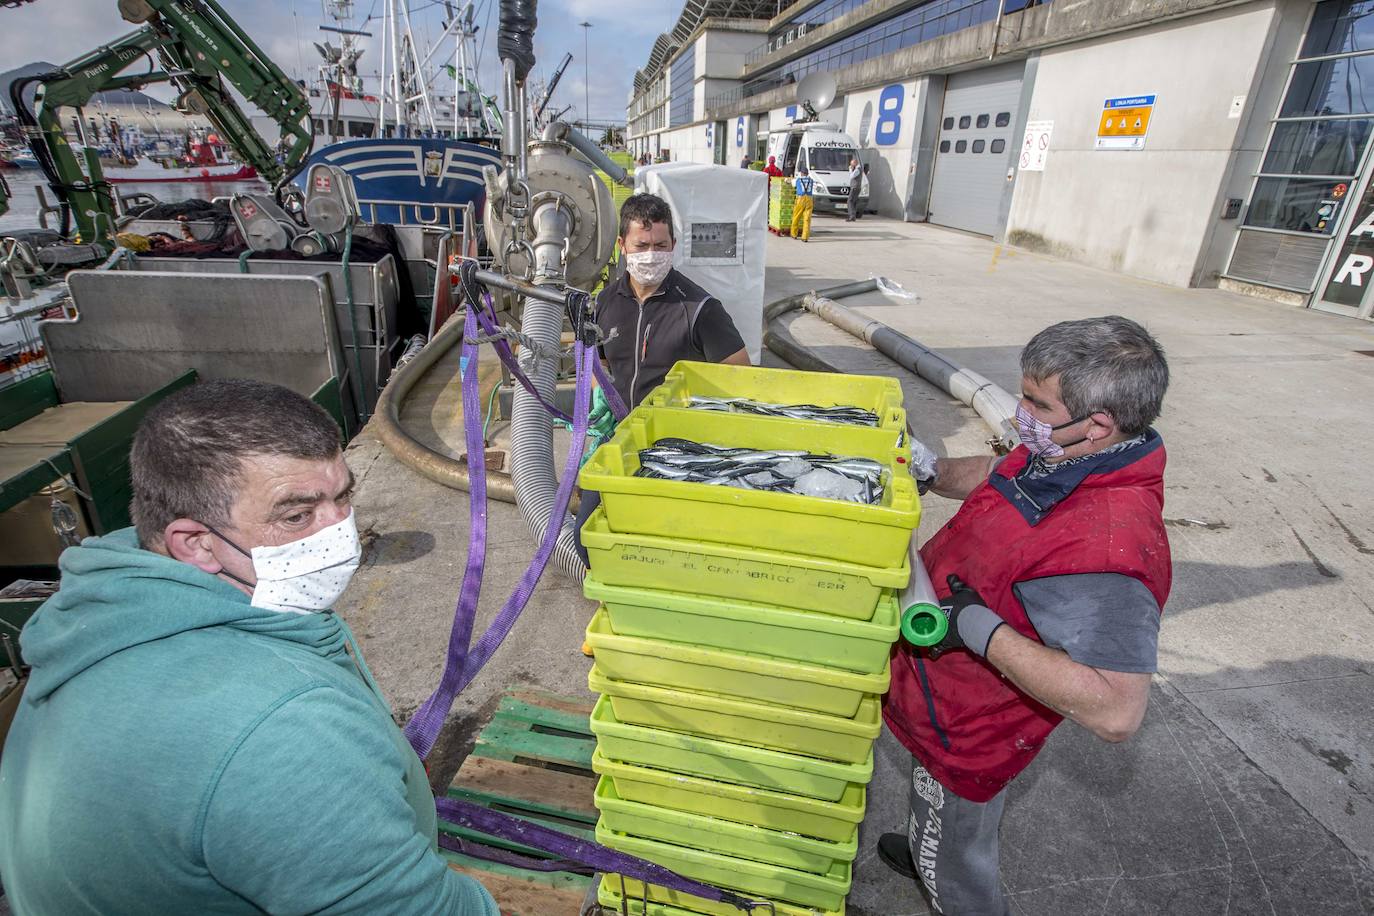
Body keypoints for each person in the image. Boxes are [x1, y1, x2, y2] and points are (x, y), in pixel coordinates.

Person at [0, 380, 499, 916]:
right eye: (296, 516)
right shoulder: (283, 728)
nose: (342, 535)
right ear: (195, 543)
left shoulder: (107, 616)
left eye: (343, 497)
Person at [879, 316, 1172, 916]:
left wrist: (978, 629)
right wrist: (932, 471)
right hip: (940, 691)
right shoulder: (1070, 456)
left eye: (1036, 403)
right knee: (933, 803)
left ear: (1098, 423)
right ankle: (927, 844)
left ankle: (950, 881)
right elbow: (1000, 476)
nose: (1019, 412)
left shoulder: (1108, 549)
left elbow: (1116, 710)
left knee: (957, 841)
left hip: (971, 726)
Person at [573, 192, 749, 566]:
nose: (651, 255)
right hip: (619, 438)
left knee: (666, 544)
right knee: (586, 539)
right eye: (642, 245)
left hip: (679, 448)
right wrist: (600, 402)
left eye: (661, 245)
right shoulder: (604, 303)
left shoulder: (699, 308)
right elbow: (596, 364)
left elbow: (742, 376)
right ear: (622, 246)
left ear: (673, 245)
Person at [791, 166, 815, 241]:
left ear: (801, 173)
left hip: (800, 199)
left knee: (796, 216)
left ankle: (794, 234)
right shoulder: (811, 180)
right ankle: (805, 237)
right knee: (807, 219)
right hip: (809, 199)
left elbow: (792, 184)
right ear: (807, 173)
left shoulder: (798, 180)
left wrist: (789, 179)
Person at [845, 156, 863, 222]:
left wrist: (850, 169)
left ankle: (851, 216)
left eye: (852, 164)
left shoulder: (857, 169)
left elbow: (851, 176)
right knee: (854, 202)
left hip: (855, 187)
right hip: (857, 187)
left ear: (855, 163)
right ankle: (853, 216)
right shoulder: (858, 169)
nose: (851, 165)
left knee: (849, 201)